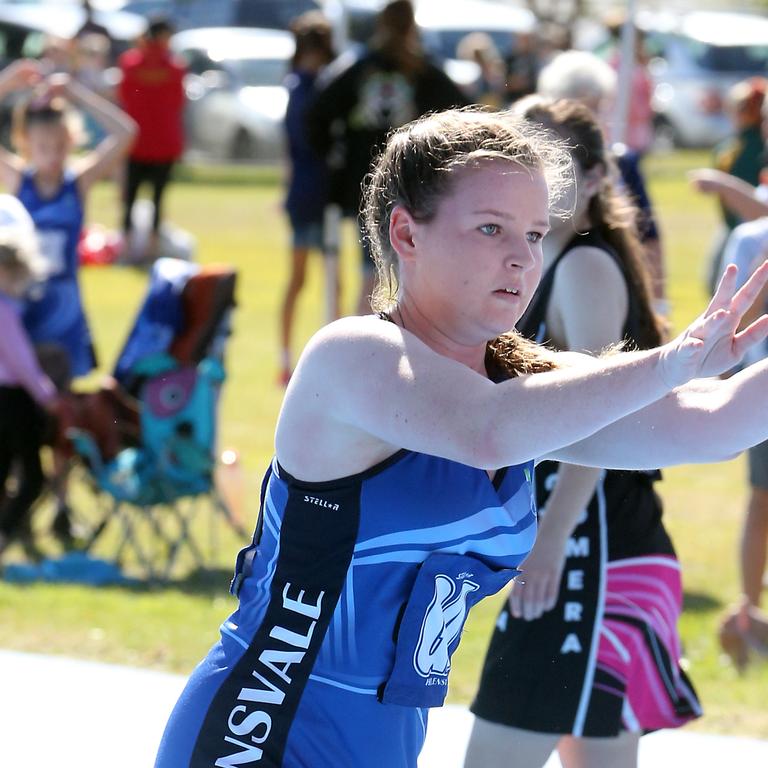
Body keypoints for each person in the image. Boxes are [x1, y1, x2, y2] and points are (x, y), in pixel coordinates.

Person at [154, 106, 768, 768]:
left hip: (386, 742)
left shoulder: (523, 380)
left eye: (535, 234)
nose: (521, 257)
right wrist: (666, 362)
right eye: (490, 228)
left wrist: (677, 374)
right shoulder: (354, 355)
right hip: (265, 729)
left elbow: (719, 421)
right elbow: (486, 433)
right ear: (406, 234)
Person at [464, 99, 698, 768]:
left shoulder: (586, 267)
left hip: (592, 556)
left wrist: (550, 544)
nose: (533, 179)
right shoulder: (551, 262)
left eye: (553, 165)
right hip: (595, 553)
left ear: (596, 178)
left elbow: (602, 418)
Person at [0, 58, 136, 543]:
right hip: (23, 320)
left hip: (65, 319)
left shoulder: (77, 184)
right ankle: (18, 504)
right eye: (42, 147)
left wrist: (76, 92)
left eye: (59, 146)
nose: (52, 155)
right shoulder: (20, 183)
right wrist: (9, 84)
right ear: (25, 146)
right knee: (17, 417)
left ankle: (59, 506)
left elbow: (126, 133)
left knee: (63, 417)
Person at [306, 0, 466, 315]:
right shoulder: (423, 70)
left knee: (377, 270)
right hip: (413, 183)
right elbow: (462, 114)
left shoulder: (360, 67)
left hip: (364, 182)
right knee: (392, 272)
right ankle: (362, 345)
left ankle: (367, 343)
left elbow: (316, 114)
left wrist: (336, 157)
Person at [535, 48, 668, 314]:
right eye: (576, 107)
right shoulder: (532, 163)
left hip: (608, 283)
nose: (590, 118)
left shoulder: (621, 162)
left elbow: (648, 235)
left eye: (596, 107)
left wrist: (658, 302)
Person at [0, 194, 62, 560]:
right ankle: (6, 534)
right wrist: (46, 396)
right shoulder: (4, 311)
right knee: (33, 478)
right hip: (12, 399)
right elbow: (21, 362)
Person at [279, 11, 336, 387]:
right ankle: (285, 357)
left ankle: (325, 353)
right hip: (310, 194)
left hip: (311, 193)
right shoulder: (307, 87)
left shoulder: (301, 84)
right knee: (303, 277)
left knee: (330, 279)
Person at [117, 14, 186, 262]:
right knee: (158, 199)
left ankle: (125, 249)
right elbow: (179, 102)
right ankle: (151, 250)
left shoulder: (130, 63)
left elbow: (124, 95)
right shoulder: (176, 66)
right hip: (164, 143)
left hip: (135, 143)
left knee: (130, 198)